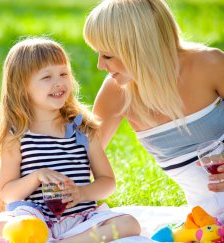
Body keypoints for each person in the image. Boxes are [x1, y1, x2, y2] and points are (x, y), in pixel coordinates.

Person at [0, 37, 140, 243]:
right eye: (47, 77)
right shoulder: (16, 135)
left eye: (63, 73)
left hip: (81, 219)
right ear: (22, 86)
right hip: (35, 220)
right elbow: (8, 193)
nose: (58, 82)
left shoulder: (83, 128)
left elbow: (108, 182)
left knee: (129, 223)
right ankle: (44, 240)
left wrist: (82, 192)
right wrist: (36, 176)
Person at [83, 0, 224, 216]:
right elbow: (77, 158)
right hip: (208, 221)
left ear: (140, 48)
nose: (100, 65)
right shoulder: (117, 92)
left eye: (108, 55)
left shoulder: (209, 64)